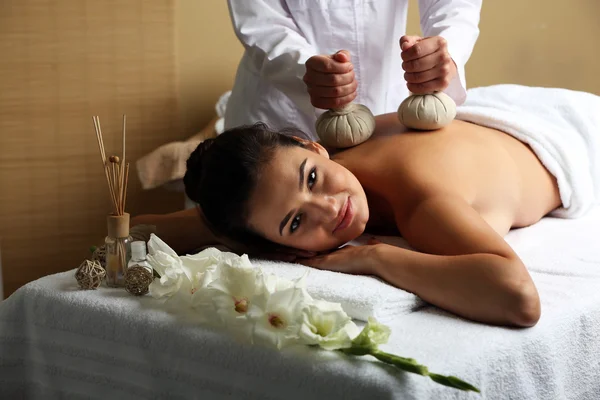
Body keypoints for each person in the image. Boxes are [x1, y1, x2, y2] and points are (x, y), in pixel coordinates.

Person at [132, 104, 571, 328]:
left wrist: (377, 259)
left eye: (312, 177)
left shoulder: (422, 204)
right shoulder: (338, 166)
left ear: (314, 146)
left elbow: (519, 299)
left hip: (565, 133)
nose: (330, 207)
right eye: (296, 223)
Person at [224, 0, 482, 139]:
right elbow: (261, 20)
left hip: (388, 109)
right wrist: (302, 69)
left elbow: (454, 5)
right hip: (281, 115)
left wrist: (447, 50)